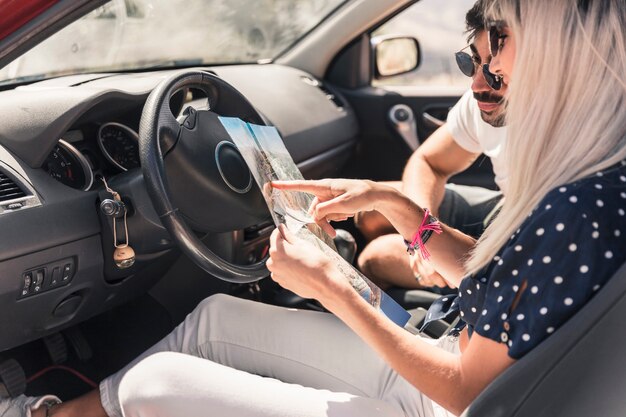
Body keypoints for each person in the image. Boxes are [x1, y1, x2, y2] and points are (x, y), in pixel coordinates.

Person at [22, 0, 626, 415]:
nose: (486, 72)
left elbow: (466, 390)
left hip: (450, 397)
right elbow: (510, 289)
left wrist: (332, 288)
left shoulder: (574, 207)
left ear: (559, 53)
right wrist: (395, 203)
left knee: (153, 386)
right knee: (213, 321)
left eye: (500, 46)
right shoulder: (593, 186)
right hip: (455, 354)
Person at [357, 1, 507, 291]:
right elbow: (429, 162)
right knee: (370, 210)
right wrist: (423, 229)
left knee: (374, 257)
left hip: (522, 240)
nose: (477, 85)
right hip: (504, 209)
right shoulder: (482, 103)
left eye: (496, 72)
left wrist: (429, 245)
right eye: (472, 63)